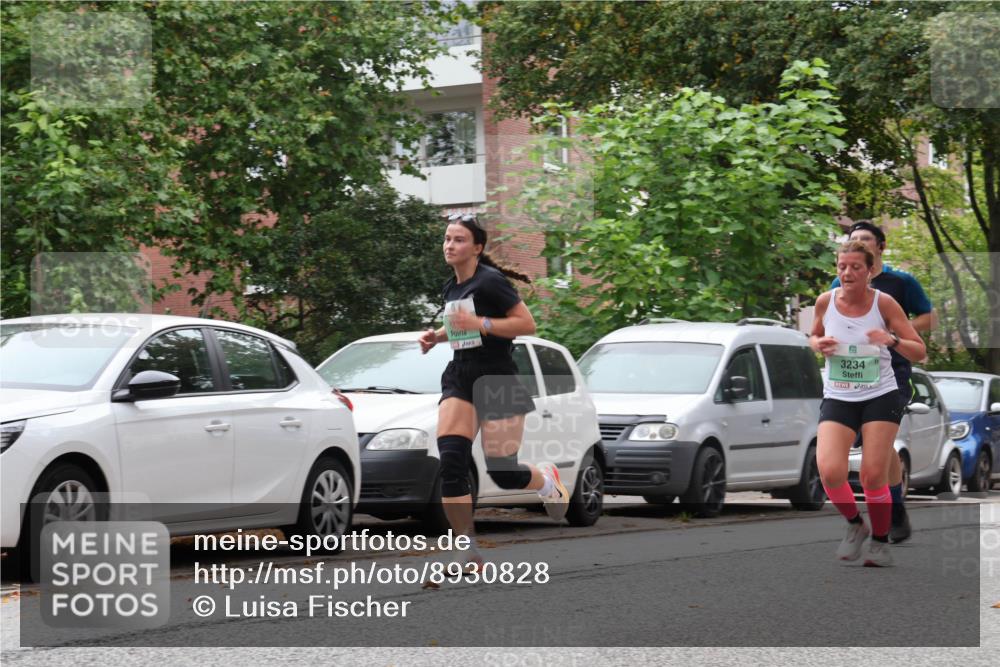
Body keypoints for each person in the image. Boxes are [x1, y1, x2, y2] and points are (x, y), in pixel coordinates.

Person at [419, 213, 569, 571]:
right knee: (452, 460)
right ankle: (466, 548)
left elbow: (526, 324)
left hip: (497, 378)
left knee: (503, 471)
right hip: (460, 376)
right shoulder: (451, 287)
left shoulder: (491, 282)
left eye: (458, 240)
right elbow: (461, 329)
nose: (449, 245)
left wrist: (481, 323)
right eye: (447, 239)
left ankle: (547, 480)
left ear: (477, 247)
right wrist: (436, 336)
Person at [811, 241, 926, 567]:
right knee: (830, 471)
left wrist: (890, 340)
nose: (847, 273)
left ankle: (879, 541)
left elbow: (919, 351)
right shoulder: (825, 301)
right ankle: (855, 525)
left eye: (855, 267)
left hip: (880, 394)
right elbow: (813, 336)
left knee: (873, 475)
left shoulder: (885, 304)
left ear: (870, 270)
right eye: (842, 266)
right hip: (839, 395)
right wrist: (819, 343)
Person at [831, 220, 937, 543]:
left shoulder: (901, 282)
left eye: (865, 239)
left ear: (880, 247)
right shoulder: (842, 281)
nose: (859, 243)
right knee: (875, 443)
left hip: (893, 370)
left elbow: (930, 317)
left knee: (877, 440)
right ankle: (889, 503)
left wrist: (893, 333)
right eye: (853, 239)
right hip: (850, 373)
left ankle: (894, 507)